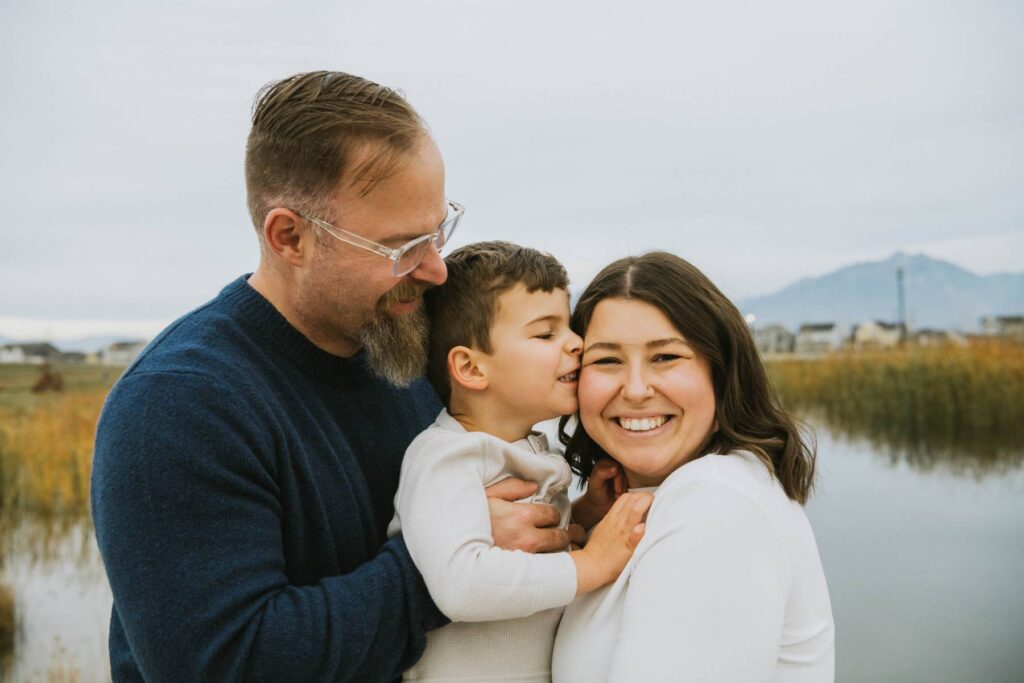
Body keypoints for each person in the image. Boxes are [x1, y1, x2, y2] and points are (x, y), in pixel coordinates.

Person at [91, 71, 577, 682]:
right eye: (402, 247)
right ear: (290, 237)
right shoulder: (177, 407)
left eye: (438, 231)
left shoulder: (404, 339)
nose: (435, 270)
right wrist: (450, 558)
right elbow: (225, 662)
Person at [552, 252, 835, 682]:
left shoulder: (715, 502)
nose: (636, 389)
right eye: (607, 360)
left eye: (665, 357)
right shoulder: (642, 505)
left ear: (721, 373)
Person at [388, 241, 651, 681]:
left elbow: (527, 549)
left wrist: (583, 515)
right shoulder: (444, 457)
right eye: (546, 334)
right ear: (472, 369)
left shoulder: (525, 449)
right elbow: (461, 585)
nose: (577, 343)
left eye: (569, 327)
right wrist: (590, 564)